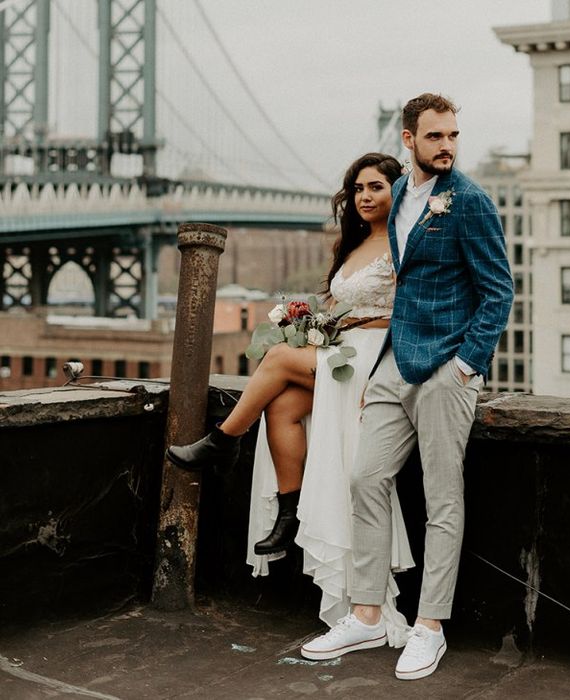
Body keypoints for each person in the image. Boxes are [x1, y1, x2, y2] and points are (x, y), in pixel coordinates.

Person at [300, 94, 514, 681]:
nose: (447, 145)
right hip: (396, 364)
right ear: (409, 139)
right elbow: (406, 289)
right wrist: (379, 369)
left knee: (443, 501)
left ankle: (429, 627)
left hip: (448, 370)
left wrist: (467, 366)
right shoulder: (398, 202)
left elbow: (499, 291)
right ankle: (367, 614)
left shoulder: (468, 202)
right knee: (365, 477)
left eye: (454, 135)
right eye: (435, 136)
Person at [166, 152, 414, 645]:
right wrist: (316, 327)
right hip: (343, 352)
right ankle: (288, 509)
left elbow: (411, 312)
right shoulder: (355, 243)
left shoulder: (407, 243)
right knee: (281, 406)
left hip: (375, 359)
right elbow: (340, 305)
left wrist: (388, 371)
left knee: (277, 361)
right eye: (358, 188)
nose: (365, 197)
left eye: (376, 188)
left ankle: (223, 440)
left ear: (398, 191)